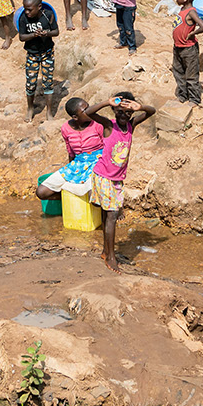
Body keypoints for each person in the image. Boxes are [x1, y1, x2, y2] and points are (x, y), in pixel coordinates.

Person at [87, 92, 155, 272]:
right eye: (119, 112)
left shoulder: (131, 125)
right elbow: (88, 113)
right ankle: (110, 256)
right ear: (114, 111)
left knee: (108, 214)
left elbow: (151, 111)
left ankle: (105, 251)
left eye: (127, 112)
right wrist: (106, 102)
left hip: (116, 178)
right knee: (111, 215)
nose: (123, 115)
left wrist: (139, 107)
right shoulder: (110, 126)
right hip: (104, 177)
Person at [36, 97, 107, 203]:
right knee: (41, 192)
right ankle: (73, 197)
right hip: (77, 164)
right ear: (75, 117)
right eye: (85, 110)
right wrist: (71, 170)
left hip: (98, 162)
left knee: (93, 194)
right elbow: (70, 152)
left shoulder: (98, 124)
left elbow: (108, 147)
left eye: (88, 107)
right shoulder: (66, 128)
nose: (89, 111)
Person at [14, 0, 61, 115]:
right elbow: (22, 37)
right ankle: (30, 109)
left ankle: (49, 112)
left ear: (39, 7)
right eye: (25, 9)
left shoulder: (48, 15)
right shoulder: (23, 18)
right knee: (30, 84)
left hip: (47, 53)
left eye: (29, 9)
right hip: (32, 55)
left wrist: (47, 33)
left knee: (48, 83)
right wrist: (34, 35)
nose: (27, 12)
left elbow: (56, 32)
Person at [171, 0, 203, 106]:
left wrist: (192, 34)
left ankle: (194, 99)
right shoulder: (183, 9)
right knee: (178, 72)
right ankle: (182, 95)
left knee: (191, 75)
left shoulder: (191, 12)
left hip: (189, 49)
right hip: (178, 47)